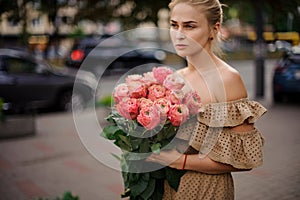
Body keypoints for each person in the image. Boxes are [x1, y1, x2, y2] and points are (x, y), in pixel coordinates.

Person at [147, 0, 267, 199]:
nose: (179, 34)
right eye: (174, 25)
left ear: (214, 28)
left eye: (189, 26)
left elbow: (244, 159)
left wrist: (179, 161)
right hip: (168, 190)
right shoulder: (174, 79)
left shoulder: (228, 79)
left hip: (207, 190)